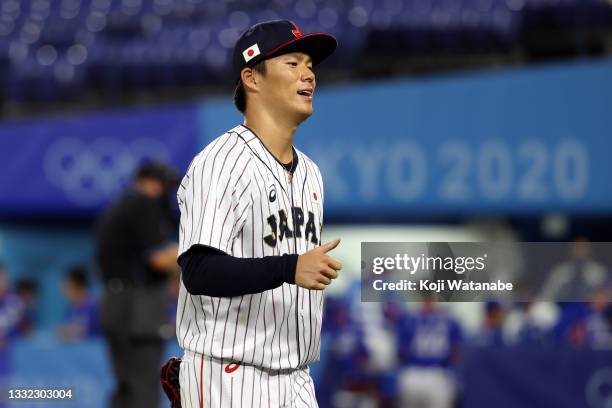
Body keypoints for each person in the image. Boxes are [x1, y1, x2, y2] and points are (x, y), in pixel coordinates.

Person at [170, 19, 341, 408]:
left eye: (310, 65)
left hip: (297, 377)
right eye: (292, 63)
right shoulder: (221, 161)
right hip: (229, 374)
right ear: (252, 77)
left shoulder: (311, 172)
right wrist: (288, 267)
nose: (309, 73)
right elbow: (198, 271)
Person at [96, 161, 180, 408]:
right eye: (164, 186)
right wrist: (199, 254)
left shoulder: (117, 206)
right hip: (138, 305)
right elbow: (158, 259)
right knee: (144, 383)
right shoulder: (143, 204)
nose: (166, 192)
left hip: (113, 301)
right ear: (150, 182)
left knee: (126, 383)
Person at [396, 294, 463, 408]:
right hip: (436, 375)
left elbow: (401, 353)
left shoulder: (408, 319)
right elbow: (456, 354)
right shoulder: (450, 320)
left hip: (414, 374)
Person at [56, 266, 101, 341]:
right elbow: (63, 331)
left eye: (66, 285)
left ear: (75, 284)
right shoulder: (70, 309)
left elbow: (96, 331)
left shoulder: (95, 307)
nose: (63, 290)